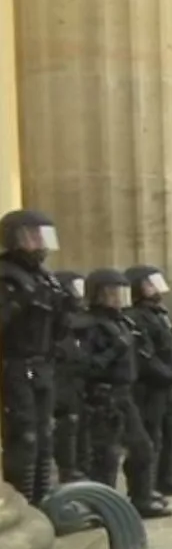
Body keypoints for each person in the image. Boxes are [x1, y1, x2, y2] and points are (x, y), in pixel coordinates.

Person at [83, 268, 172, 518]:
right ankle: (103, 507)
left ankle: (141, 497)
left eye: (119, 293)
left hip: (124, 394)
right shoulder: (90, 325)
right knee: (106, 457)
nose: (116, 298)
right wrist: (114, 349)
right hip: (103, 396)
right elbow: (87, 366)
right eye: (110, 293)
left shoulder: (123, 321)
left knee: (142, 448)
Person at [0, 209, 66, 505]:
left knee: (45, 435)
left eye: (42, 237)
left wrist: (65, 309)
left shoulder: (45, 277)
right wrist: (18, 303)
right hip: (16, 364)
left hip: (43, 364)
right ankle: (22, 502)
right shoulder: (5, 274)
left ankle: (42, 500)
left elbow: (57, 330)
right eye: (32, 237)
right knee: (24, 437)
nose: (40, 244)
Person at [125, 265, 172, 497]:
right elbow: (144, 355)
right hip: (148, 386)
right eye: (149, 284)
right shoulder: (135, 316)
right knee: (151, 434)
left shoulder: (159, 312)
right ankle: (147, 485)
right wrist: (167, 374)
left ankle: (165, 479)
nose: (154, 288)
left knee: (169, 432)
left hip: (165, 385)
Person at [52, 270, 90, 483]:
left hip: (78, 379)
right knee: (68, 425)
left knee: (81, 425)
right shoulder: (59, 320)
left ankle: (81, 464)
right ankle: (68, 468)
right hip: (61, 380)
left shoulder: (81, 317)